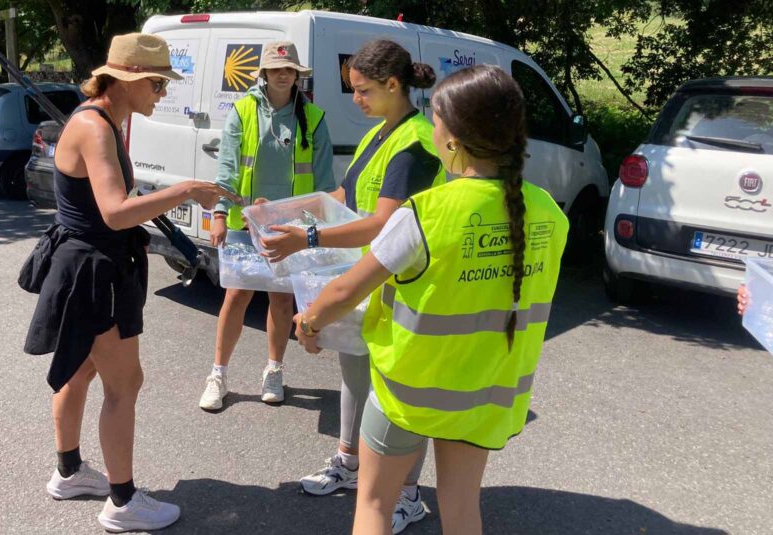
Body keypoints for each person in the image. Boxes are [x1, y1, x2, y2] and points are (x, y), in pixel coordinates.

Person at [293, 65, 568, 535]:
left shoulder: (427, 212)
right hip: (486, 391)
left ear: (455, 138)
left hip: (410, 391)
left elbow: (345, 289)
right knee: (462, 508)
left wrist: (309, 323)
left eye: (436, 117)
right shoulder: (548, 212)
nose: (431, 126)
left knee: (375, 505)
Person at [22, 33, 232, 532]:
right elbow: (116, 214)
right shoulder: (96, 128)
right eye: (157, 84)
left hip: (88, 263)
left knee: (80, 371)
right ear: (128, 80)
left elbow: (110, 199)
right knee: (124, 383)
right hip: (96, 268)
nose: (161, 94)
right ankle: (122, 501)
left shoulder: (108, 120)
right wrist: (185, 189)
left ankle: (69, 472)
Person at [261, 39, 445, 533]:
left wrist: (308, 236)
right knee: (354, 373)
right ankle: (348, 462)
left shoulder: (415, 142)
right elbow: (347, 194)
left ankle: (408, 494)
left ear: (393, 85)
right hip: (369, 280)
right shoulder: (380, 132)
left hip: (402, 284)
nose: (355, 100)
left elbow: (384, 222)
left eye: (363, 91)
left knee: (399, 392)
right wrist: (283, 211)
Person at [198, 41, 335, 410]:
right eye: (276, 68)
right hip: (246, 222)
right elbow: (226, 169)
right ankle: (218, 374)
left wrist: (314, 230)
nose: (283, 74)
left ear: (296, 74)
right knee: (236, 296)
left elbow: (322, 182)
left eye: (289, 68)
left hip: (289, 228)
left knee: (280, 298)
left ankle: (274, 370)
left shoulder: (314, 118)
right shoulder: (242, 112)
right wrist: (221, 214)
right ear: (264, 73)